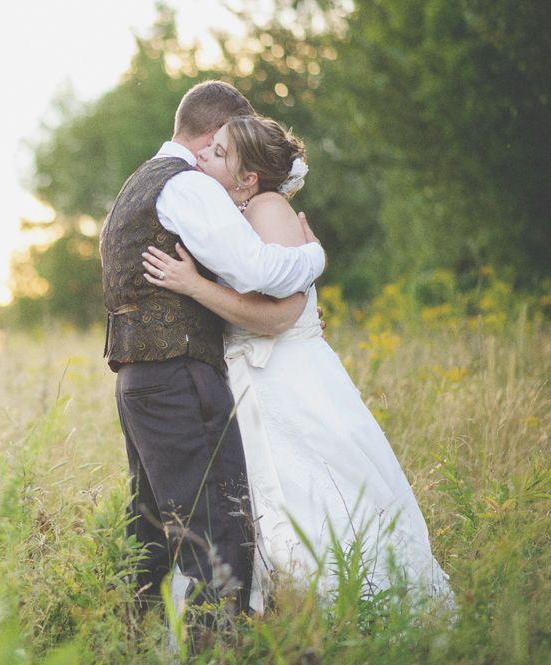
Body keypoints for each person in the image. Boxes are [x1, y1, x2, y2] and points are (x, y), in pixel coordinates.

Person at [141, 114, 453, 612]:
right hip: (253, 376)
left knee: (317, 493)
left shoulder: (267, 208)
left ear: (248, 179)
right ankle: (286, 615)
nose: (203, 156)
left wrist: (193, 285)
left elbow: (279, 315)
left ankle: (352, 607)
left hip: (285, 380)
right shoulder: (234, 213)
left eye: (219, 153)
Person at [99, 81, 327, 623]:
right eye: (221, 145)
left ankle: (140, 644)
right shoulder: (188, 186)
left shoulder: (138, 184)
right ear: (211, 132)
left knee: (150, 530)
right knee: (216, 528)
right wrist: (315, 256)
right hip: (178, 374)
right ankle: (216, 650)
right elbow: (259, 272)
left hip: (138, 378)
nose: (214, 157)